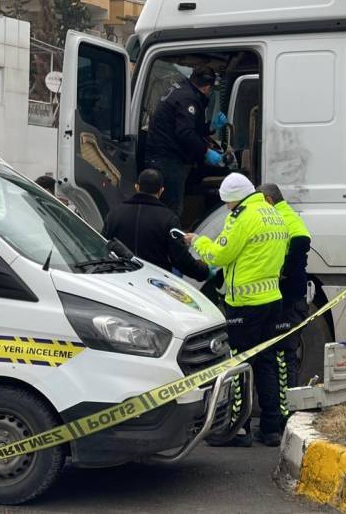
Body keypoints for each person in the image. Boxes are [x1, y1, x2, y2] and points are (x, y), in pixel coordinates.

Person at [183, 173, 289, 447]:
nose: (228, 208)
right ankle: (272, 427)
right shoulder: (272, 212)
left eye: (228, 203)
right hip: (272, 300)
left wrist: (197, 242)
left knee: (239, 365)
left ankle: (238, 430)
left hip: (245, 305)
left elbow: (221, 255)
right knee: (266, 363)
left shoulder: (242, 216)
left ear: (233, 199)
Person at [258, 183, 312, 427]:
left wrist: (285, 271)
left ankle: (285, 418)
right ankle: (283, 416)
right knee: (282, 357)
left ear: (268, 200)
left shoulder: (281, 215)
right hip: (290, 295)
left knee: (284, 357)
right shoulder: (285, 214)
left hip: (288, 297)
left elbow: (301, 242)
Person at [144, 66, 226, 217]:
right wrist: (206, 152)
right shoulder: (188, 98)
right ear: (207, 87)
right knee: (171, 209)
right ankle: (170, 238)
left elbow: (190, 127)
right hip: (168, 160)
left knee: (167, 206)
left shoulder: (181, 90)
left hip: (162, 157)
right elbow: (185, 133)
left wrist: (211, 127)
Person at [102, 169, 210, 281]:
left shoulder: (114, 214)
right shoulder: (169, 219)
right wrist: (204, 271)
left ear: (137, 187)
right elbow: (180, 260)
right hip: (154, 283)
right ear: (161, 190)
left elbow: (103, 246)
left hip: (120, 279)